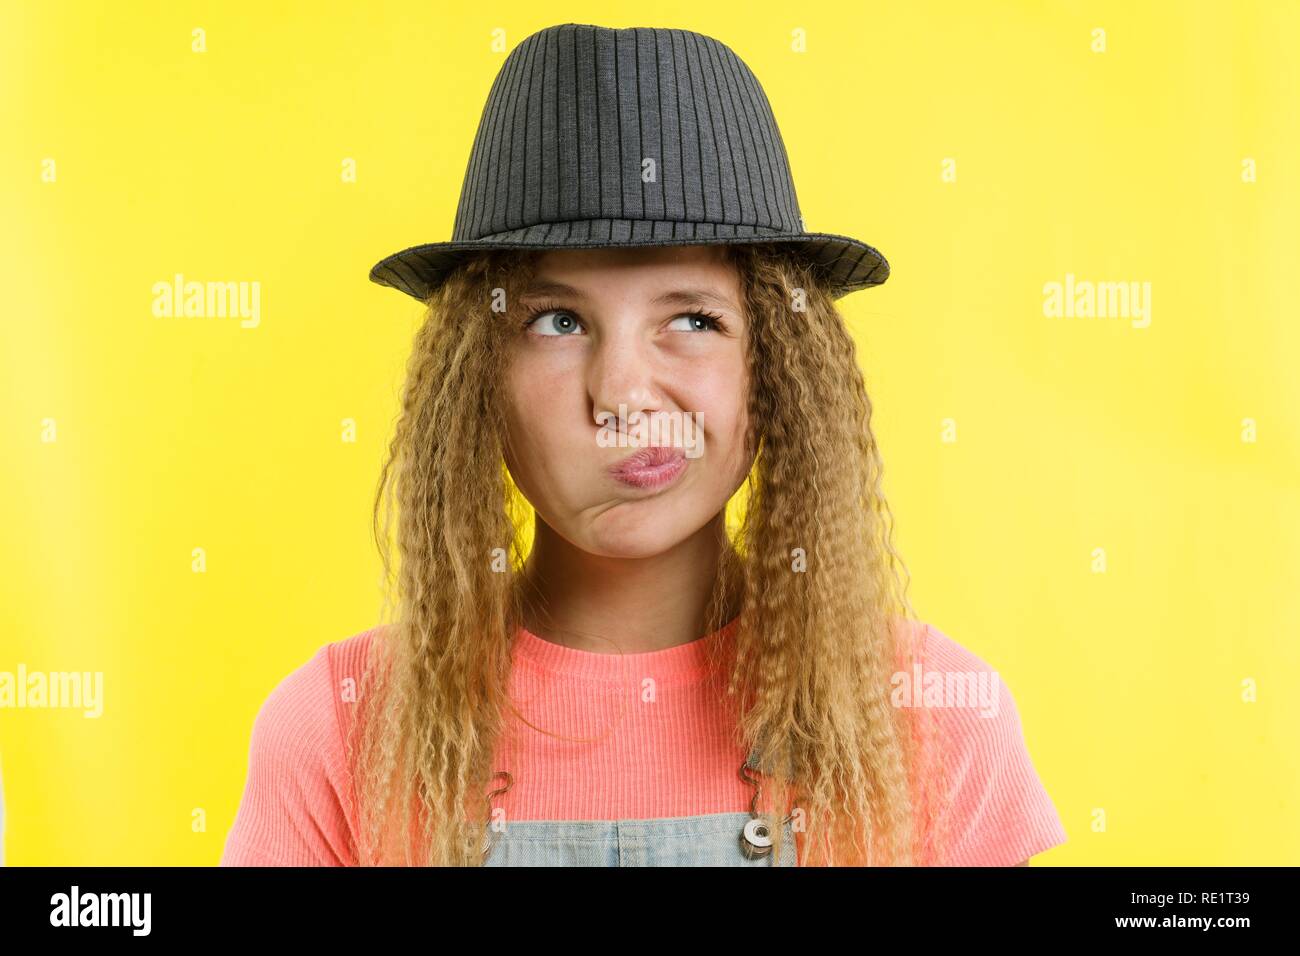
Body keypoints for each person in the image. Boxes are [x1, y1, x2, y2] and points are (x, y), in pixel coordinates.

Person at [222, 23, 1067, 867]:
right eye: (557, 322)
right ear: (475, 374)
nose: (623, 395)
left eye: (693, 320)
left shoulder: (933, 718)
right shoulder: (336, 729)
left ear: (780, 366)